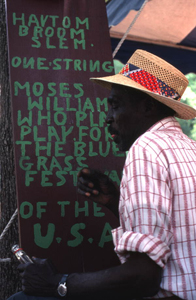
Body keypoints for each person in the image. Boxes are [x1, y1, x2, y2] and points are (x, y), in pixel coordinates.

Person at [8, 50, 196, 300]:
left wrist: (58, 283)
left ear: (147, 106)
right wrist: (115, 201)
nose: (107, 119)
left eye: (115, 106)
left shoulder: (146, 148)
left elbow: (143, 277)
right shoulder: (189, 147)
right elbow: (174, 231)